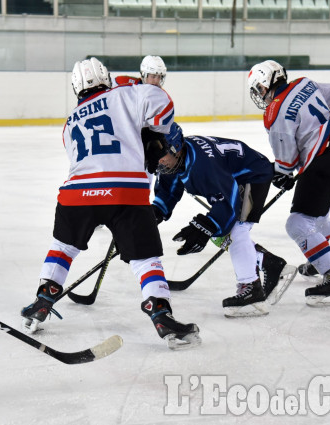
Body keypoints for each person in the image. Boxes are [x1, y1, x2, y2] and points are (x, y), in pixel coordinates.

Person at [20, 57, 200, 350]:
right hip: (126, 192)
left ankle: (43, 298)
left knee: (63, 248)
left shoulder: (70, 122)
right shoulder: (127, 92)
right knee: (145, 259)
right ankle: (161, 315)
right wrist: (155, 133)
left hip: (76, 193)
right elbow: (162, 103)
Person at [152, 123, 297, 317]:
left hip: (252, 176)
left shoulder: (203, 166)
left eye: (161, 157)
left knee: (236, 230)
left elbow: (228, 205)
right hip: (230, 178)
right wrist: (156, 212)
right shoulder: (175, 159)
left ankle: (251, 289)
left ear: (176, 149)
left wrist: (209, 225)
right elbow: (170, 188)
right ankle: (269, 263)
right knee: (221, 234)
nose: (158, 162)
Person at [247, 59, 330, 307]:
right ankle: (318, 261)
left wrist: (281, 175)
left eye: (258, 89)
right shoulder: (304, 84)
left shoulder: (274, 113)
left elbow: (287, 163)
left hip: (325, 163)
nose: (259, 95)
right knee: (318, 213)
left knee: (298, 222)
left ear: (265, 84)